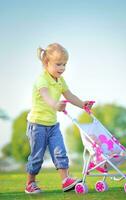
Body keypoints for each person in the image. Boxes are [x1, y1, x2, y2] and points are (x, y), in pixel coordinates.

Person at [25, 43, 92, 194]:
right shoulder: (41, 79)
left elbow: (69, 95)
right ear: (46, 63)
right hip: (37, 125)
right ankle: (30, 183)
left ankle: (65, 180)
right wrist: (55, 105)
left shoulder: (60, 80)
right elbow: (46, 96)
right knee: (37, 156)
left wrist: (82, 104)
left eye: (64, 64)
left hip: (53, 125)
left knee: (59, 152)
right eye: (58, 64)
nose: (62, 68)